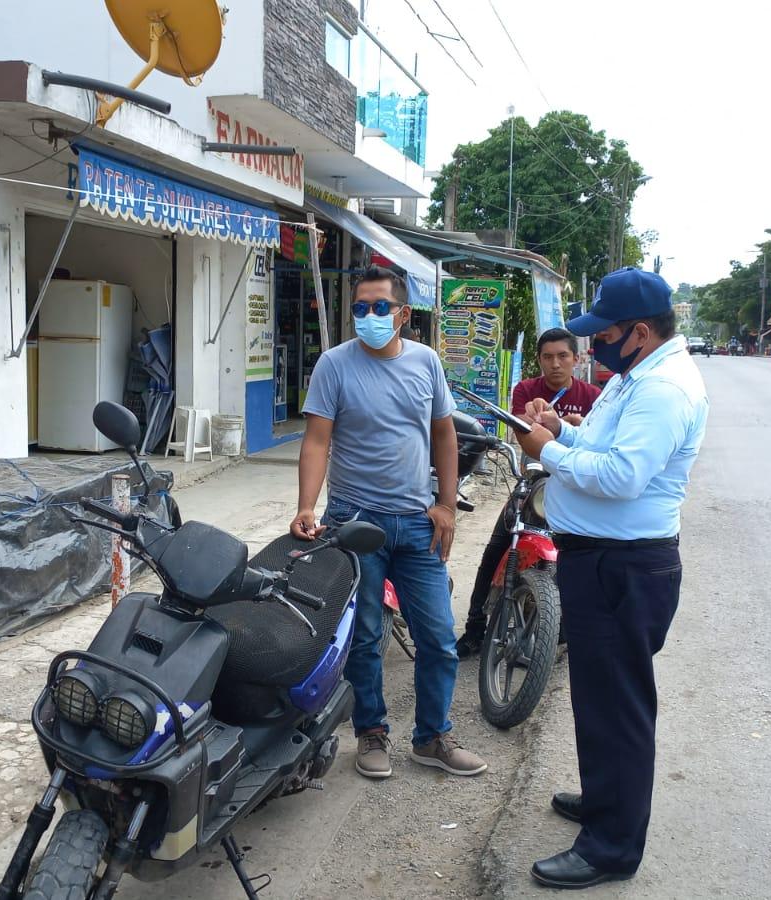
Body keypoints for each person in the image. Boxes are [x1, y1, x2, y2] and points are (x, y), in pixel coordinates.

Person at [510, 268, 707, 890]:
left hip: (623, 566)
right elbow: (601, 446)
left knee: (618, 707)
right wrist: (561, 430)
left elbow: (622, 477)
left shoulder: (663, 390)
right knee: (596, 698)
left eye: (605, 333)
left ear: (641, 332)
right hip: (600, 560)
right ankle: (604, 802)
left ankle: (612, 848)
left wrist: (549, 451)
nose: (594, 345)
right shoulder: (635, 377)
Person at [291, 266, 487, 780]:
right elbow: (317, 441)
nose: (369, 317)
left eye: (380, 307)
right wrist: (307, 506)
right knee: (366, 637)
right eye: (360, 308)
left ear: (402, 313)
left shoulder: (426, 363)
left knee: (439, 636)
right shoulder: (334, 365)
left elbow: (444, 435)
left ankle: (432, 737)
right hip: (356, 523)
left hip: (417, 523)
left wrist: (446, 504)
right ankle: (371, 733)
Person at [456, 328, 600, 656]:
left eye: (563, 356)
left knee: (580, 553)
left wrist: (575, 426)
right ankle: (475, 627)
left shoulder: (593, 396)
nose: (555, 364)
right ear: (539, 360)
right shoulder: (526, 390)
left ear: (576, 359)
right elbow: (522, 433)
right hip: (534, 482)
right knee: (497, 546)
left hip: (575, 486)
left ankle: (563, 628)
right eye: (547, 357)